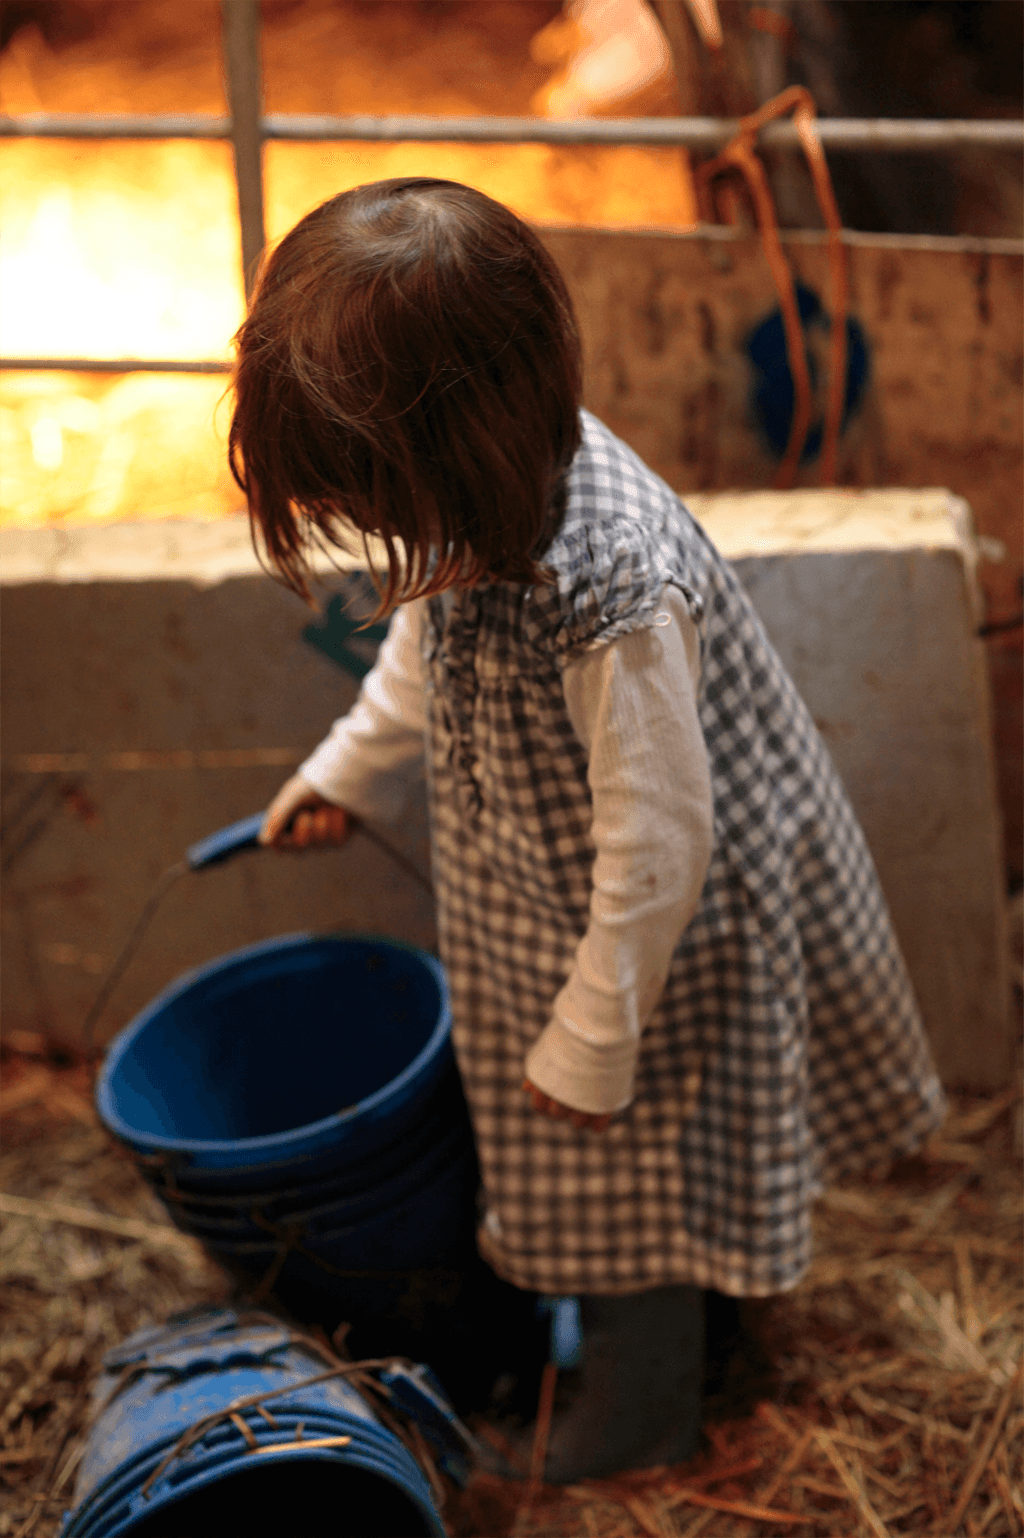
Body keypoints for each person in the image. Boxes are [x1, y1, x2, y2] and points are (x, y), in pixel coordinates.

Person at [230, 176, 945, 1483]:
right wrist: (345, 769)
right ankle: (685, 1325)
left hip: (661, 937)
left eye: (382, 501)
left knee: (647, 1172)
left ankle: (640, 1411)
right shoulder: (477, 503)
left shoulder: (610, 589)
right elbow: (415, 650)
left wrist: (596, 1028)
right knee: (610, 1169)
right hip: (548, 901)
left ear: (462, 447)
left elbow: (663, 835)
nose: (384, 536)